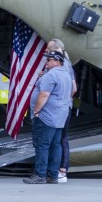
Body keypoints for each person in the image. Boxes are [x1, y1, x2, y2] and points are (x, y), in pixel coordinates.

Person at [23, 50, 72, 184]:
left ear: (57, 61)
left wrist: (36, 111)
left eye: (49, 60)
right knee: (56, 145)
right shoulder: (66, 75)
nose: (46, 62)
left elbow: (44, 95)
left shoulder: (51, 75)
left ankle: (40, 175)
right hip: (60, 115)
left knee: (42, 145)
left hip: (47, 115)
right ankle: (52, 175)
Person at [46, 38, 78, 183]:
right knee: (60, 138)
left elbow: (73, 89)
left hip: (60, 108)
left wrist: (62, 100)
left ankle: (62, 170)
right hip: (64, 106)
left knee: (60, 139)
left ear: (55, 49)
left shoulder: (63, 65)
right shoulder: (67, 63)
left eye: (48, 49)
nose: (46, 52)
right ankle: (60, 169)